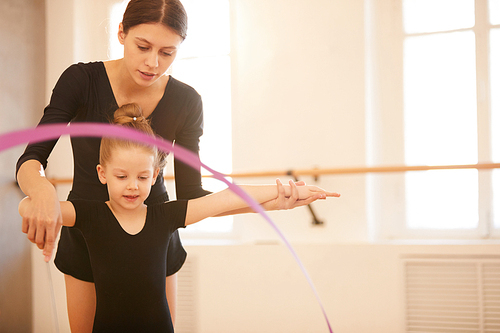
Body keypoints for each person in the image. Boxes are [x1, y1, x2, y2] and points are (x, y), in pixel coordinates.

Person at [19, 103, 340, 332]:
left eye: (143, 177)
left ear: (156, 174)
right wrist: (40, 200)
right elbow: (28, 206)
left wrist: (287, 192)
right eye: (121, 176)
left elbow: (226, 197)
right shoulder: (89, 216)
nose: (132, 186)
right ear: (102, 174)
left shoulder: (166, 216)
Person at [15, 0, 210, 331]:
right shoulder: (81, 80)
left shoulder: (186, 101)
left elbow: (193, 193)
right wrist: (41, 190)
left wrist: (265, 200)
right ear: (121, 33)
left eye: (167, 52)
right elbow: (32, 158)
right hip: (88, 232)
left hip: (156, 235)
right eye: (143, 46)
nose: (153, 63)